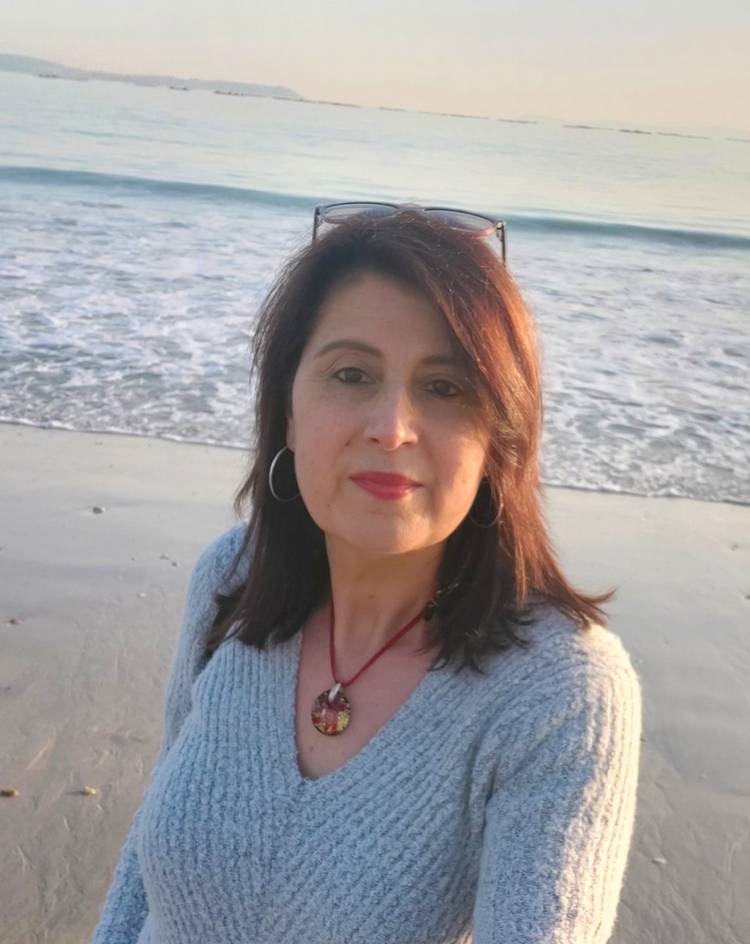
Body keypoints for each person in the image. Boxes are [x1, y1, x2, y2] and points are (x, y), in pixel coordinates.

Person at [91, 203, 642, 944]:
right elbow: (147, 860)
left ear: (498, 438)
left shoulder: (558, 692)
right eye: (351, 374)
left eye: (444, 387)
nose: (390, 428)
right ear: (288, 410)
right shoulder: (232, 579)